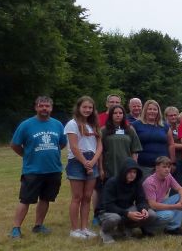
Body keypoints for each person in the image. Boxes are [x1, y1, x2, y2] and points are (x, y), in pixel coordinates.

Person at [10, 96, 67, 238]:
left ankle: (38, 225)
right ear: (36, 107)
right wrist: (26, 155)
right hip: (33, 170)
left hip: (53, 169)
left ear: (51, 108)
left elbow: (62, 143)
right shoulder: (26, 125)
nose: (44, 108)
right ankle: (16, 228)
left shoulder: (58, 124)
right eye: (41, 106)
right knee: (25, 200)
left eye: (47, 106)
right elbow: (15, 144)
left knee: (45, 199)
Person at [96, 158, 159, 243]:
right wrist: (127, 214)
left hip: (126, 210)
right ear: (123, 172)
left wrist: (143, 209)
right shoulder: (112, 182)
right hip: (106, 211)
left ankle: (124, 228)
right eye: (129, 172)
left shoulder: (137, 182)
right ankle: (105, 232)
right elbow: (108, 205)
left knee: (151, 215)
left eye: (134, 172)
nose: (132, 174)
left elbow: (141, 200)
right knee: (115, 218)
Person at [64, 96, 102, 239]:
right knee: (77, 197)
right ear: (79, 108)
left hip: (92, 160)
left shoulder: (94, 124)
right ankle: (74, 230)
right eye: (84, 107)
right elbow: (74, 146)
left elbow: (99, 145)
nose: (87, 110)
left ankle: (84, 227)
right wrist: (85, 162)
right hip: (77, 162)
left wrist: (93, 161)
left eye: (90, 108)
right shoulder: (72, 124)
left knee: (87, 197)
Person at [142, 156, 182, 235]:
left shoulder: (168, 176)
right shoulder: (149, 182)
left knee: (180, 198)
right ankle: (147, 228)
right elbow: (153, 205)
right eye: (164, 167)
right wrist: (176, 206)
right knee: (169, 214)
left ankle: (173, 228)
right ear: (157, 167)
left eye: (169, 167)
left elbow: (181, 189)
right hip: (149, 210)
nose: (167, 169)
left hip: (160, 203)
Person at [101, 105, 142, 182]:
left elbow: (134, 151)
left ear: (124, 115)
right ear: (111, 115)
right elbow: (100, 152)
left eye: (120, 113)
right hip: (109, 167)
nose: (118, 115)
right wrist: (101, 169)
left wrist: (134, 167)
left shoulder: (129, 130)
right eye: (115, 113)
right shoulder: (104, 130)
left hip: (126, 167)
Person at [132, 100, 170, 172]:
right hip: (143, 166)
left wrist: (173, 162)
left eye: (155, 109)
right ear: (145, 110)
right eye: (150, 109)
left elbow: (171, 144)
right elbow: (132, 145)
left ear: (158, 111)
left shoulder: (165, 126)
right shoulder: (135, 125)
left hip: (163, 166)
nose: (152, 111)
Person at [165, 106, 182, 185]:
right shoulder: (165, 127)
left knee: (181, 181)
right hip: (169, 158)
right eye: (171, 115)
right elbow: (169, 144)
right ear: (166, 116)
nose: (173, 117)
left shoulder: (181, 127)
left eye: (175, 115)